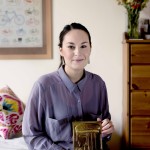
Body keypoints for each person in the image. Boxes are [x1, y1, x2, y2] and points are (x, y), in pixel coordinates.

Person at [22, 22, 114, 150]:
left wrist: (106, 131)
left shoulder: (98, 84)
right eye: (71, 47)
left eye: (83, 46)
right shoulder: (43, 86)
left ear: (90, 49)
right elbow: (31, 136)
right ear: (61, 50)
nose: (78, 52)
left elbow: (104, 130)